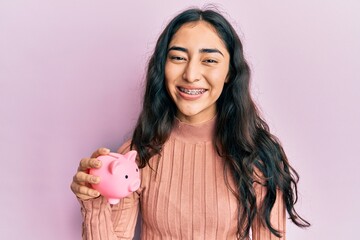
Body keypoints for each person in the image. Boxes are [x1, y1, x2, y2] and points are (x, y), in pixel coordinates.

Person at [70, 7, 310, 240]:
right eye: (178, 57)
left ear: (229, 72)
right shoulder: (137, 154)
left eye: (209, 60)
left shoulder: (259, 156)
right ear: (162, 67)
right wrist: (95, 202)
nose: (191, 74)